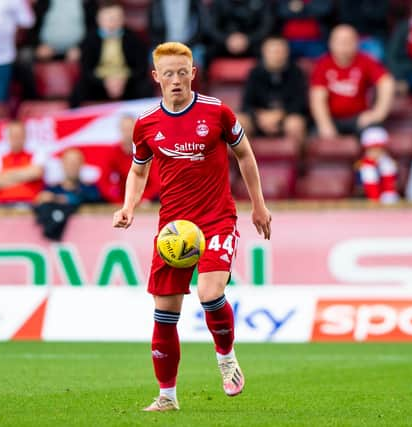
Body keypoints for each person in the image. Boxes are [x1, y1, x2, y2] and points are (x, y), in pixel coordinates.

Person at [112, 42, 271, 411]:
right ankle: (167, 396)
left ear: (193, 73)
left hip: (216, 219)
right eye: (168, 73)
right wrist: (128, 206)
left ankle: (226, 359)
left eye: (183, 72)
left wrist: (258, 206)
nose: (176, 80)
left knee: (209, 293)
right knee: (164, 314)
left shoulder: (217, 112)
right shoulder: (147, 123)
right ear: (156, 77)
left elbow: (244, 154)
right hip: (173, 229)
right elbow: (139, 170)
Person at [310, 25, 395, 138]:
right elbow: (317, 97)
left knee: (375, 134)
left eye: (348, 41)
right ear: (331, 43)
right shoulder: (323, 64)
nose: (344, 46)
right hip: (331, 118)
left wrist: (378, 113)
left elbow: (387, 83)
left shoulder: (365, 61)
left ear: (357, 43)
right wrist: (325, 125)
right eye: (340, 41)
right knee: (315, 139)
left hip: (359, 119)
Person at [69, 0, 152, 106]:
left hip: (126, 82)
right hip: (99, 83)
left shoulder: (133, 38)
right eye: (108, 18)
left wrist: (123, 80)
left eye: (116, 18)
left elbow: (141, 68)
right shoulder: (89, 40)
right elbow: (86, 70)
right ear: (99, 19)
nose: (112, 22)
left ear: (122, 19)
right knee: (78, 90)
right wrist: (105, 82)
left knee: (145, 88)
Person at [239, 36, 307, 151]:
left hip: (286, 118)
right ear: (264, 52)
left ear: (287, 53)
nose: (277, 55)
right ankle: (243, 166)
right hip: (259, 119)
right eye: (273, 51)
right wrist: (261, 117)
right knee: (238, 122)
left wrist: (279, 114)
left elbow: (300, 103)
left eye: (280, 51)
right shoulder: (254, 73)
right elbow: (246, 104)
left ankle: (299, 166)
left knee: (295, 124)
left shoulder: (296, 72)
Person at [99, 114, 160, 204]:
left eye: (130, 129)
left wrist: (143, 199)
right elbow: (103, 181)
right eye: (125, 130)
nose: (127, 134)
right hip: (120, 200)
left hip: (144, 200)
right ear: (120, 131)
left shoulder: (147, 150)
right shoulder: (113, 152)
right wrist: (117, 200)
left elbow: (156, 181)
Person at [0, 121, 46, 204]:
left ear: (25, 136)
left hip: (30, 205)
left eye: (19, 135)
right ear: (8, 137)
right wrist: (25, 176)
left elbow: (37, 173)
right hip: (1, 207)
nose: (16, 138)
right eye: (13, 135)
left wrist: (3, 177)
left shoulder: (37, 155)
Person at [202, 0, 274, 65]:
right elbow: (211, 27)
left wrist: (248, 40)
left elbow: (266, 27)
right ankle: (205, 77)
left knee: (269, 51)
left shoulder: (262, 3)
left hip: (252, 43)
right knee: (206, 52)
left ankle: (261, 77)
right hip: (224, 43)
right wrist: (226, 40)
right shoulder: (218, 3)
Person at [37, 148, 102, 206]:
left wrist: (56, 199)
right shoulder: (51, 189)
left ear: (82, 164)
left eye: (75, 163)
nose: (72, 167)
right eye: (69, 163)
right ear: (62, 164)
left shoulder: (90, 189)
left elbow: (90, 199)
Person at [149, 0, 204, 67]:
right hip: (162, 46)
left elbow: (201, 27)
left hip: (191, 46)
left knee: (195, 65)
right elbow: (153, 28)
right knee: (154, 66)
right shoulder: (157, 3)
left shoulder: (195, 2)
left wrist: (187, 45)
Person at [357, 126, 399, 204]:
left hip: (388, 201)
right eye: (372, 150)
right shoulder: (361, 167)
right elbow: (358, 187)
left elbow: (394, 182)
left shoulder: (389, 165)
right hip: (366, 201)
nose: (375, 154)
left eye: (378, 150)